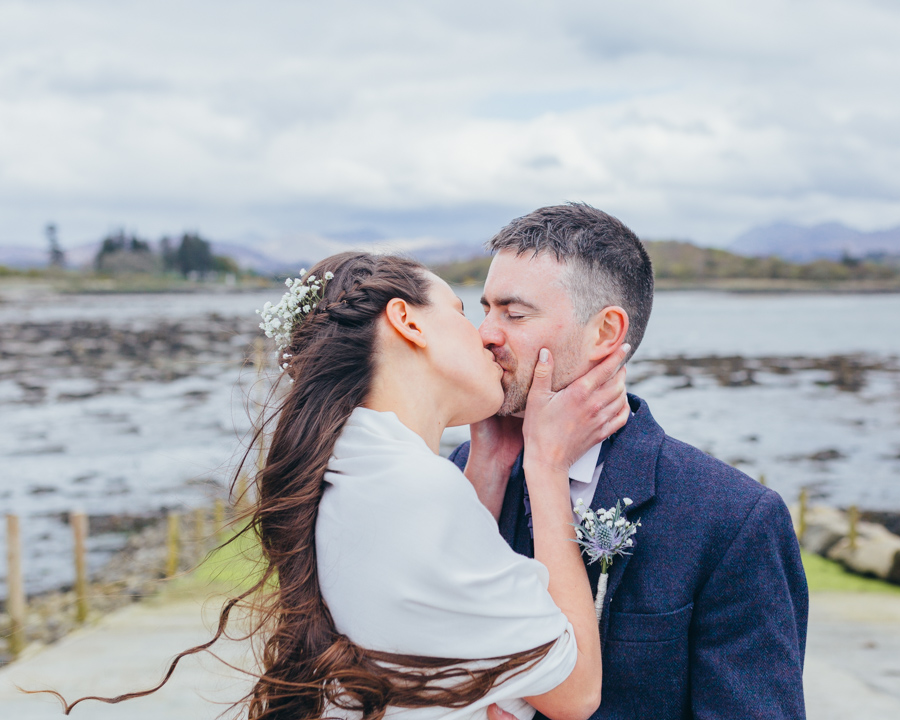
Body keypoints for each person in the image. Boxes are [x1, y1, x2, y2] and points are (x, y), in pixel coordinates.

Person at [40, 252, 628, 720]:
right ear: (407, 322)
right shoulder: (413, 488)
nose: (487, 337)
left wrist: (489, 468)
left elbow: (425, 593)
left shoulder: (349, 463)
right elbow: (575, 694)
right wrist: (547, 469)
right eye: (461, 310)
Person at [450, 204, 809, 720]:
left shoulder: (733, 519)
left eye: (514, 312)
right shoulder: (469, 469)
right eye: (485, 309)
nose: (485, 333)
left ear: (605, 332)